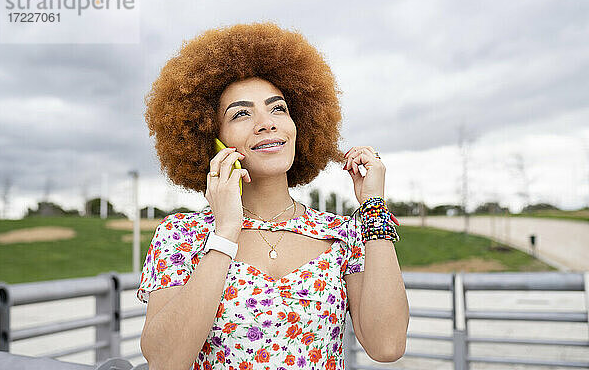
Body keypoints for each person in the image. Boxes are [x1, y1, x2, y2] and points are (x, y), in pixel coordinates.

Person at [137, 22, 409, 370]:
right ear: (210, 136)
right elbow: (164, 361)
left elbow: (387, 345)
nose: (267, 123)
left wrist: (374, 208)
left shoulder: (342, 235)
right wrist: (225, 233)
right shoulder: (180, 236)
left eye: (278, 108)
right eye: (241, 113)